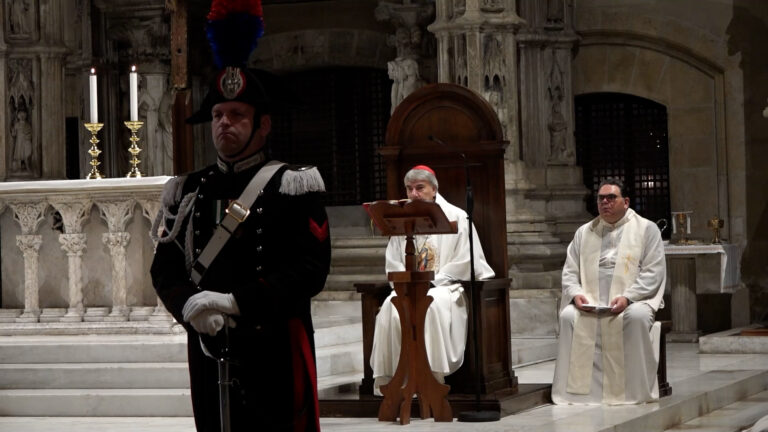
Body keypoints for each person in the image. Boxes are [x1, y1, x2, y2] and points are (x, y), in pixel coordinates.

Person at [150, 2, 331, 430]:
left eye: (236, 115)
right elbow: (164, 268)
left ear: (262, 125)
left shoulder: (292, 185)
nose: (224, 124)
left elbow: (311, 270)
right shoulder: (188, 189)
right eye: (217, 115)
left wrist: (236, 302)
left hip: (275, 347)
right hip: (208, 342)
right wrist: (188, 307)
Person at [370, 165, 495, 395]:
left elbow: (467, 259)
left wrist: (434, 281)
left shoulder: (456, 216)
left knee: (431, 303)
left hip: (444, 287)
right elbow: (394, 261)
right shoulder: (402, 219)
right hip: (409, 287)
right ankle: (398, 379)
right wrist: (405, 282)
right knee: (390, 305)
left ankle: (431, 376)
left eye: (420, 188)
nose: (414, 194)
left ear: (434, 189)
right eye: (409, 189)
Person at [551, 177, 666, 405]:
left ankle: (633, 391)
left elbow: (653, 272)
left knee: (637, 318)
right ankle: (575, 393)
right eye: (601, 198)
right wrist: (575, 294)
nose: (605, 202)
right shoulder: (584, 232)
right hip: (592, 302)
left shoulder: (646, 229)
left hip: (633, 300)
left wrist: (628, 297)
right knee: (568, 316)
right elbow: (570, 270)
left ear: (626, 201)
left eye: (611, 197)